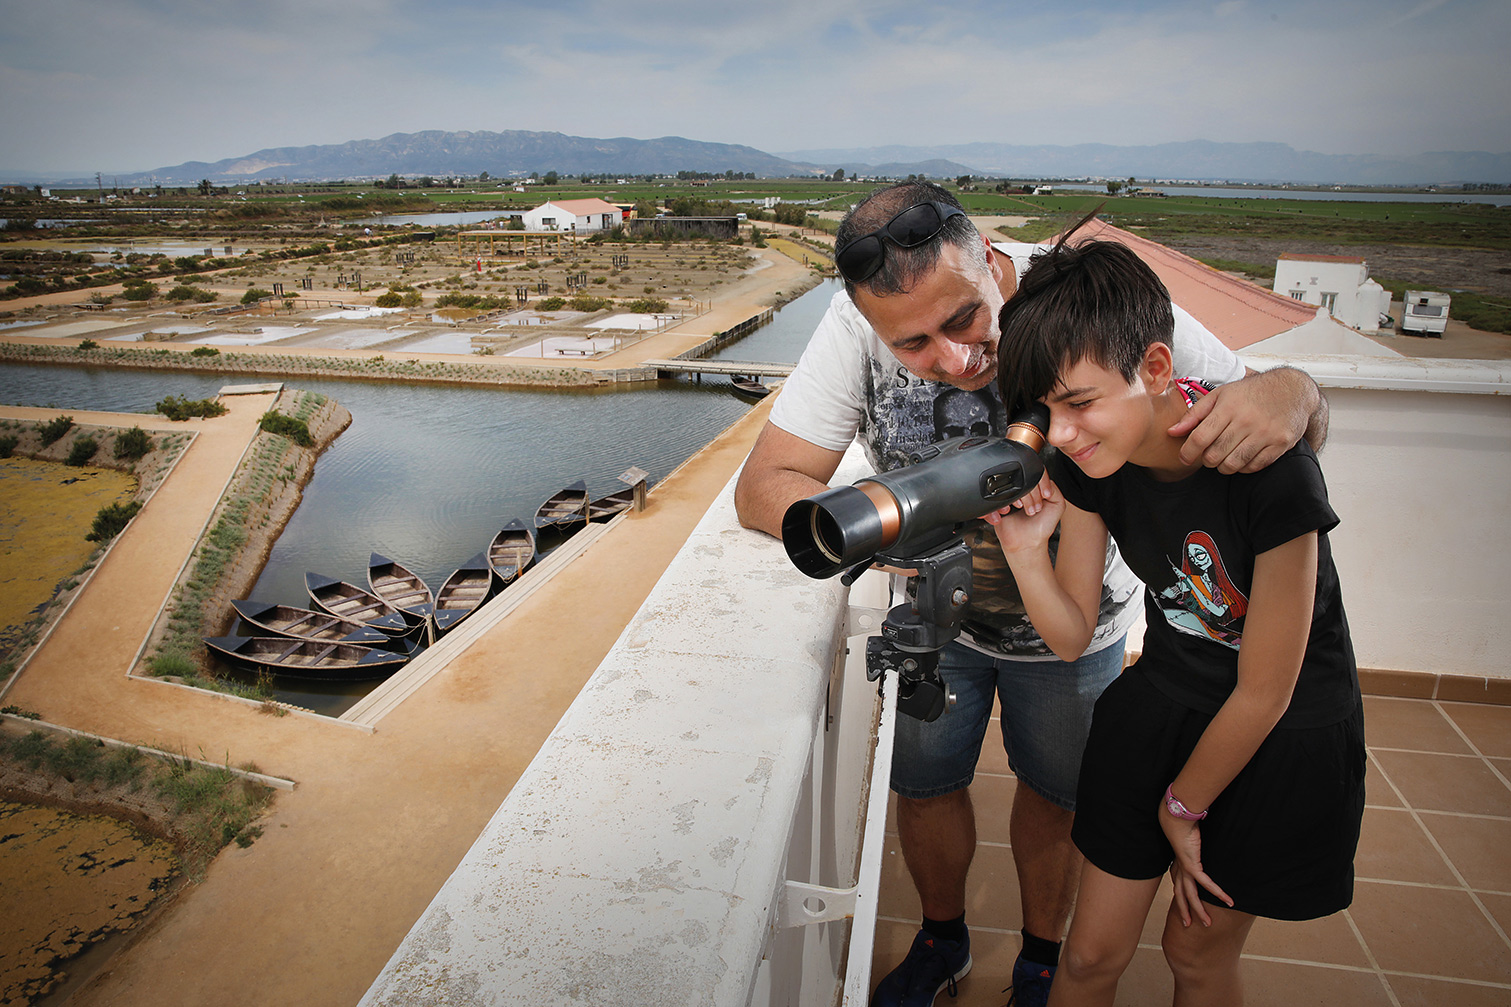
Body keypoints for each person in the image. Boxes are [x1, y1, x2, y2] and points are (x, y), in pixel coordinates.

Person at [734, 181, 1328, 1007]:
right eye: (913, 344)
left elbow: (1256, 410)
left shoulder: (1076, 299)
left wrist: (1293, 391)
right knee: (924, 787)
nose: (952, 358)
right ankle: (942, 939)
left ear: (990, 259)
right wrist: (891, 543)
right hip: (935, 625)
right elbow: (762, 485)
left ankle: (1041, 957)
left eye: (965, 319)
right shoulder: (851, 328)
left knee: (1055, 798)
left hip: (1077, 632)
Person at [984, 234, 1364, 1006]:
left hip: (1279, 732)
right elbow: (1070, 633)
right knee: (1087, 956)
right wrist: (1026, 550)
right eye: (1045, 411)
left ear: (1155, 367)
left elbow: (1267, 689)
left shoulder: (1268, 467)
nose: (1059, 434)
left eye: (1080, 402)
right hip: (1163, 700)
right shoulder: (1090, 465)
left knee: (1194, 953)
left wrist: (1181, 804)